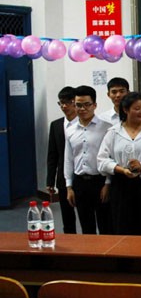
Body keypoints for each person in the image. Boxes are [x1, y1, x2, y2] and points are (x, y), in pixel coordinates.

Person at [98, 92, 141, 235]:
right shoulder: (113, 132)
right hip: (120, 185)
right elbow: (101, 160)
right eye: (137, 108)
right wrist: (120, 169)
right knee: (121, 226)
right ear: (126, 110)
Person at [64, 86, 112, 234]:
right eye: (78, 105)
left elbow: (111, 158)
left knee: (105, 226)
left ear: (94, 105)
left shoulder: (107, 128)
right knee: (86, 227)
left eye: (87, 104)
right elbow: (68, 159)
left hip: (100, 182)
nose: (82, 109)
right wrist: (69, 187)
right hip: (80, 183)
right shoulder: (70, 130)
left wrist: (108, 184)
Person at [46, 86, 78, 234]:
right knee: (67, 215)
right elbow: (52, 155)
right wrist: (50, 180)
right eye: (61, 103)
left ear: (75, 102)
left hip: (83, 175)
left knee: (87, 214)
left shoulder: (84, 123)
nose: (64, 106)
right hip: (63, 176)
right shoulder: (56, 125)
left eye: (67, 102)